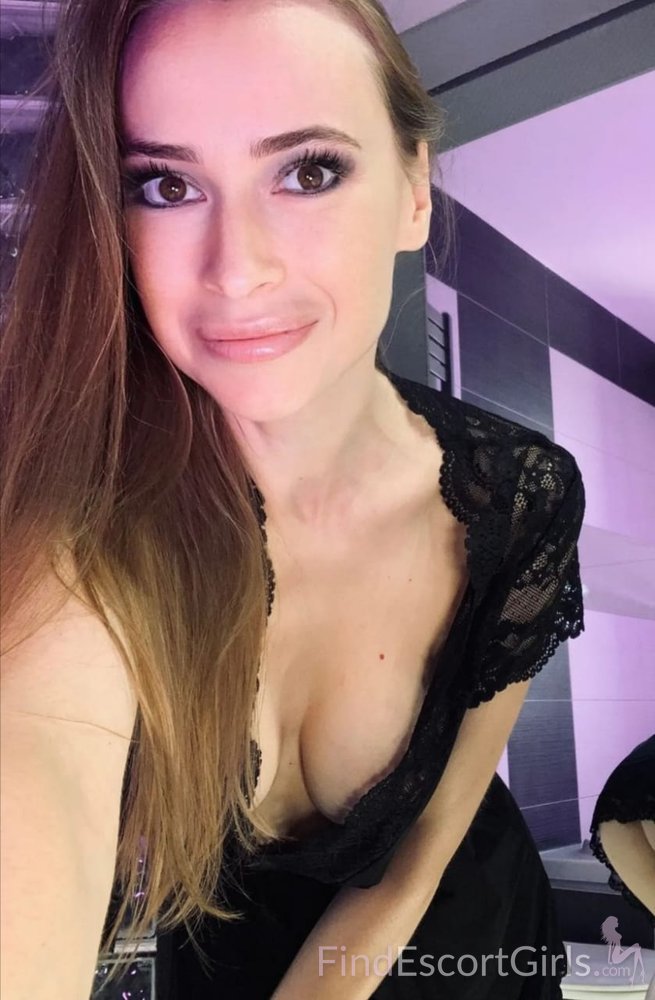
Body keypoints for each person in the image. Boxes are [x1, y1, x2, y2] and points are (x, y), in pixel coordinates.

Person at [0, 1, 585, 998]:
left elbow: (434, 828)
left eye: (309, 171)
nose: (237, 270)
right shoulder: (88, 528)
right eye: (166, 184)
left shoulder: (518, 495)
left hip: (470, 941)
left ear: (413, 191)